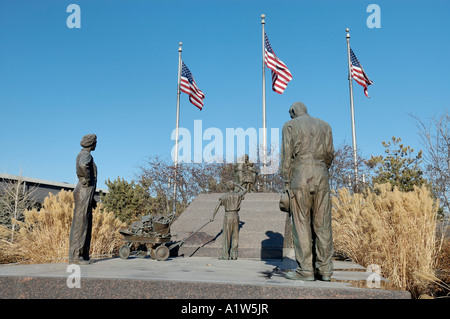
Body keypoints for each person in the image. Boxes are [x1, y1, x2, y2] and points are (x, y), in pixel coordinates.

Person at [280, 102, 334, 281]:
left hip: (300, 176)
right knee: (323, 223)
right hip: (321, 175)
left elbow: (286, 156)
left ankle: (305, 270)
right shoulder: (325, 125)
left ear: (294, 112)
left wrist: (287, 182)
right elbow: (329, 155)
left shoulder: (290, 126)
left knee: (301, 223)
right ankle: (324, 270)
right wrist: (320, 168)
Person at [68, 134, 98, 265]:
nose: (96, 145)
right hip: (84, 190)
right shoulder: (86, 155)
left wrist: (91, 199)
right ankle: (76, 257)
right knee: (81, 224)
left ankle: (83, 254)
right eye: (95, 142)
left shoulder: (83, 153)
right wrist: (85, 179)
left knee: (84, 222)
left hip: (86, 193)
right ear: (91, 143)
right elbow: (82, 165)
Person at [210, 181, 247, 260]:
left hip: (228, 216)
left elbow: (217, 206)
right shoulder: (238, 195)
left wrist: (213, 216)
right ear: (234, 187)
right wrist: (236, 184)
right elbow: (245, 190)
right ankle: (234, 255)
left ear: (227, 187)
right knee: (235, 236)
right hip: (236, 216)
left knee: (227, 236)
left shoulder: (224, 196)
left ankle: (225, 255)